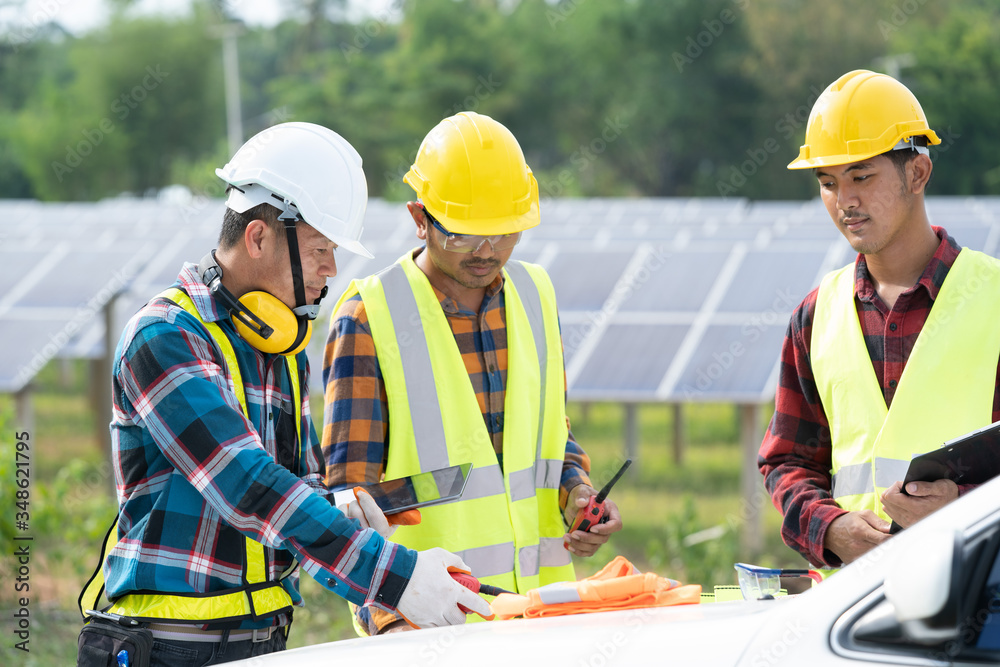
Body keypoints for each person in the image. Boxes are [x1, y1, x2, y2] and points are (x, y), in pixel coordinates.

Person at [77, 122, 489, 667]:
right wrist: (394, 576)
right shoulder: (164, 338)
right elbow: (248, 487)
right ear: (258, 237)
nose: (332, 270)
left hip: (265, 641)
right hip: (170, 646)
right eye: (321, 249)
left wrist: (337, 512)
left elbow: (291, 497)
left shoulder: (281, 347)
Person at [321, 111, 623, 635]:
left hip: (540, 617)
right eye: (465, 234)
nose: (487, 251)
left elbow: (551, 434)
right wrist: (389, 622)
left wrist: (576, 495)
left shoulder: (535, 294)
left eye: (505, 232)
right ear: (420, 217)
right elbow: (350, 502)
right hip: (429, 629)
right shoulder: (370, 317)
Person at [758, 70, 1000, 570]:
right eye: (828, 183)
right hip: (853, 614)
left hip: (982, 601)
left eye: (861, 176)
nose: (844, 201)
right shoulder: (814, 315)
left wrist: (967, 507)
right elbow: (787, 462)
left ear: (917, 174)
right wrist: (830, 528)